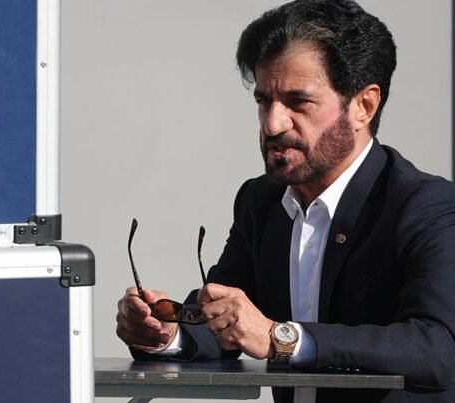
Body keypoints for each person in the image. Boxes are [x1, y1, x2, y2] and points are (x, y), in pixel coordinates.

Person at [114, 0, 455, 402]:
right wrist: (165, 334)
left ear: (363, 106)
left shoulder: (427, 207)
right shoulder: (260, 202)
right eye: (263, 101)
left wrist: (283, 338)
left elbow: (438, 349)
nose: (273, 123)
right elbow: (225, 322)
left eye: (298, 102)